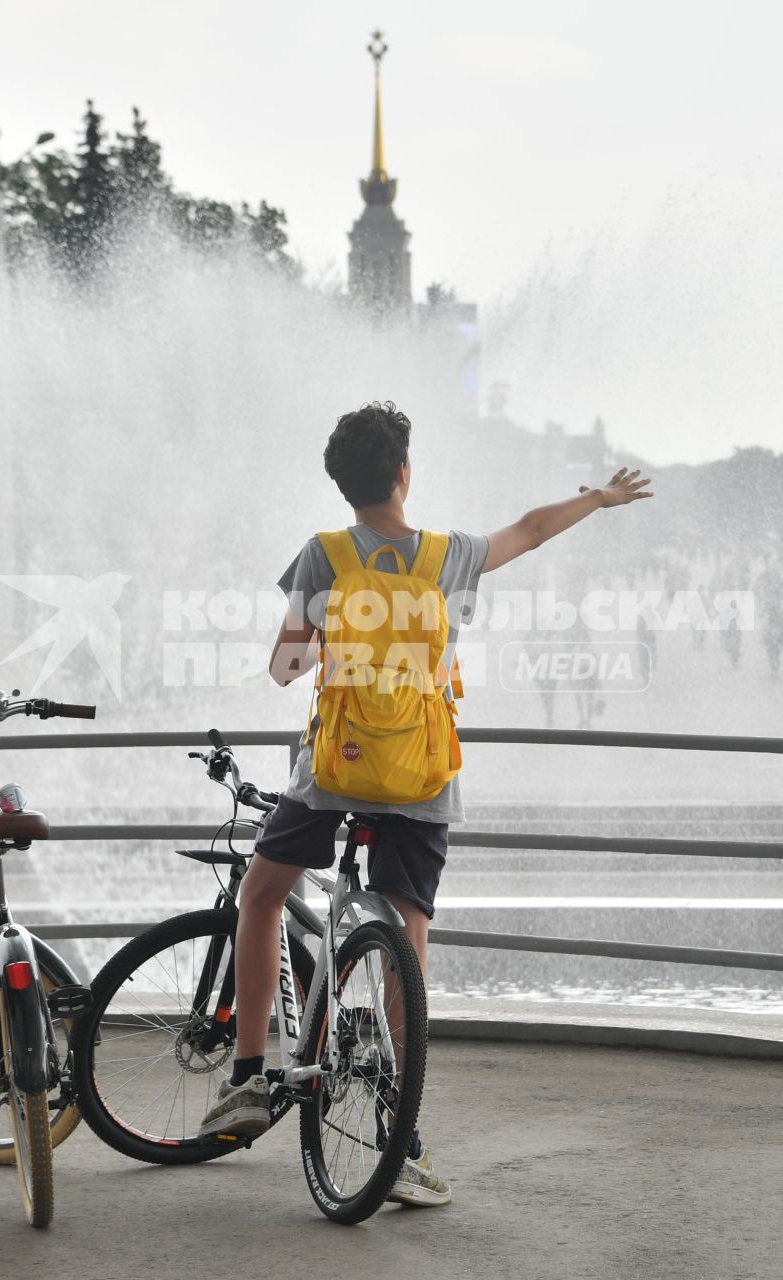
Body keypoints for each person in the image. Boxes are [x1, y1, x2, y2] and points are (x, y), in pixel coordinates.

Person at [196, 402, 652, 1207]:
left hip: (334, 772)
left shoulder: (325, 553)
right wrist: (599, 500)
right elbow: (531, 529)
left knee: (262, 897)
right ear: (405, 474)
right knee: (407, 942)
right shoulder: (446, 555)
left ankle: (247, 1073)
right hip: (422, 777)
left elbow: (284, 667)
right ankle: (400, 1136)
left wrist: (333, 641)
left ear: (344, 486)